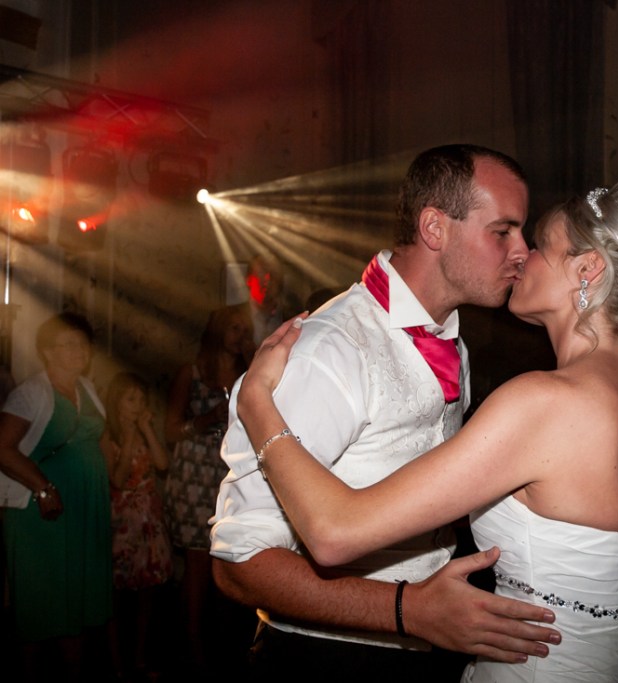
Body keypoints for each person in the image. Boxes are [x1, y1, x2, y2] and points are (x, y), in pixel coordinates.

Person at [235, 175, 618, 681]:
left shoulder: (542, 403)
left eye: (540, 246)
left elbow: (332, 534)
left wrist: (257, 403)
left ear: (588, 269)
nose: (522, 256)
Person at [211, 145, 559, 680]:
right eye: (503, 231)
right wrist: (405, 610)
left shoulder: (454, 346)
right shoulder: (330, 351)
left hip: (424, 652)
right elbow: (239, 566)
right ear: (435, 228)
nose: (522, 251)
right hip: (322, 661)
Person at [0, 313, 111, 680]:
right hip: (41, 512)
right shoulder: (31, 393)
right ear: (47, 352)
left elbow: (100, 442)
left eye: (83, 343)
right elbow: (3, 448)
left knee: (76, 594)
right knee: (38, 599)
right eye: (69, 343)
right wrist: (43, 486)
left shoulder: (87, 389)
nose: (79, 350)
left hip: (84, 509)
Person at [165, 305, 251, 670]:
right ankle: (192, 650)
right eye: (234, 328)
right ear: (217, 332)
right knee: (198, 567)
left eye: (244, 330)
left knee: (230, 559)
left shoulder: (248, 372)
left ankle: (223, 647)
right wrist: (207, 419)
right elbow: (170, 430)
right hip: (194, 474)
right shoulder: (193, 373)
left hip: (228, 472)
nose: (240, 336)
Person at [102, 371, 173, 678]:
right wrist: (130, 437)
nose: (137, 405)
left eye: (142, 400)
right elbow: (117, 479)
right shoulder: (107, 437)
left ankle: (140, 656)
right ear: (116, 402)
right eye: (131, 399)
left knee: (148, 593)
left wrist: (145, 430)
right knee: (116, 595)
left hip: (148, 521)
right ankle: (116, 662)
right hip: (121, 522)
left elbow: (162, 464)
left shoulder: (145, 431)